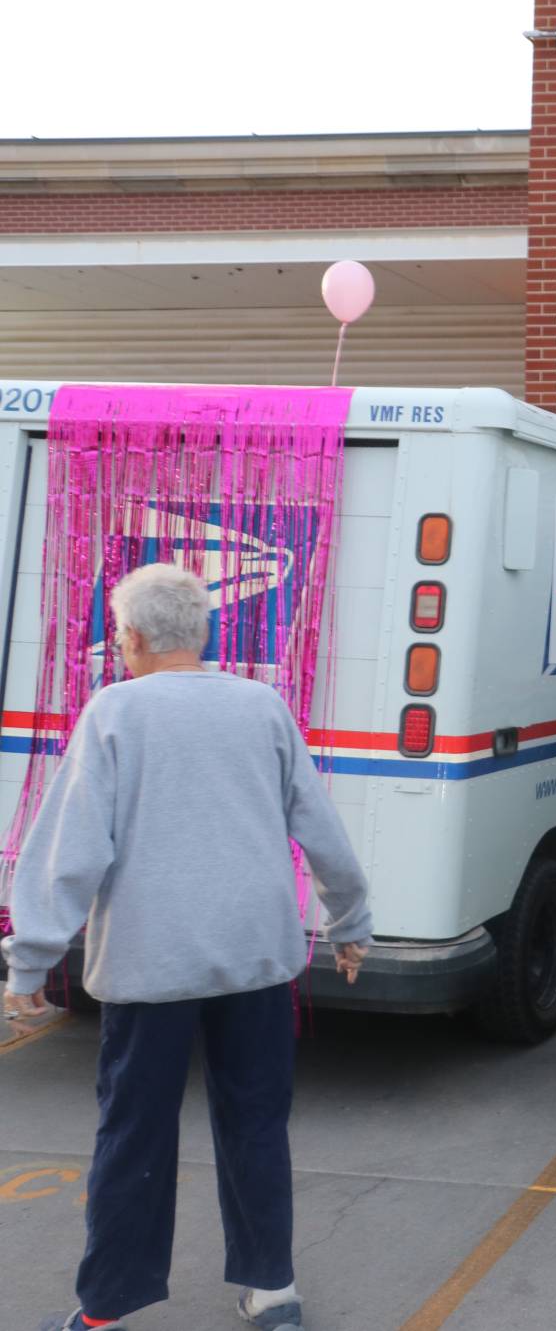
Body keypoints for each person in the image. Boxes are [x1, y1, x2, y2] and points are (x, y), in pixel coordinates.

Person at [1, 564, 373, 1331]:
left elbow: (69, 848)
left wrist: (30, 957)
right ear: (200, 634)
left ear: (131, 636)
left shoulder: (115, 712)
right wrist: (351, 920)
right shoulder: (262, 706)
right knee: (257, 1120)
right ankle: (273, 1291)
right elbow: (319, 825)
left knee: (134, 1129)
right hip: (256, 956)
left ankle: (107, 1306)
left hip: (151, 962)